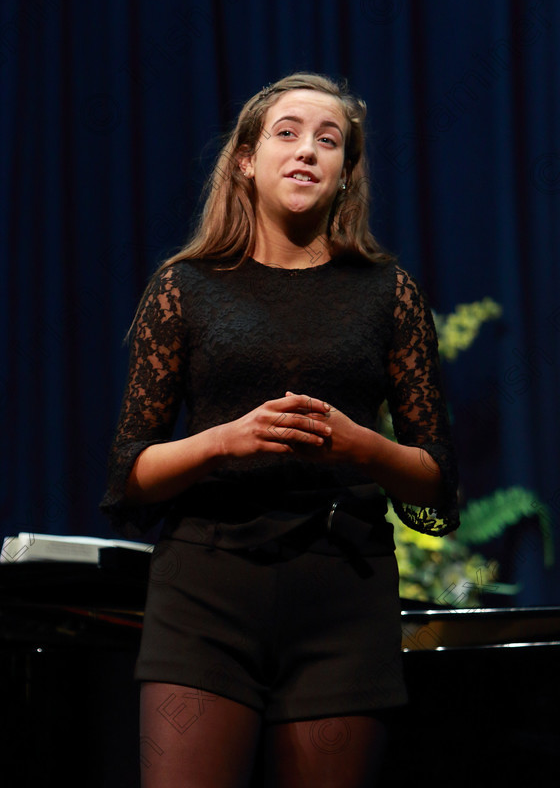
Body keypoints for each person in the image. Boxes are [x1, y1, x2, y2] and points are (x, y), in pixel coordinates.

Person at [100, 72, 459, 788]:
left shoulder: (389, 292)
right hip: (205, 590)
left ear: (346, 174)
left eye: (329, 142)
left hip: (341, 593)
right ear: (245, 159)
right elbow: (128, 477)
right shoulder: (186, 286)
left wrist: (362, 446)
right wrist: (223, 441)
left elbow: (437, 488)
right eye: (287, 134)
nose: (307, 153)